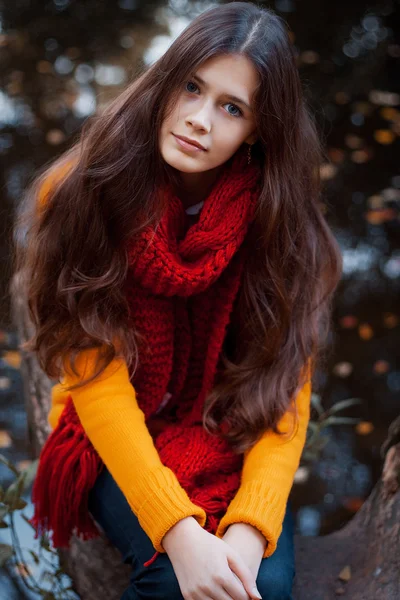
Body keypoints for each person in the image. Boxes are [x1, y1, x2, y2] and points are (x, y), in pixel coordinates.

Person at [14, 2, 342, 599]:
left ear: (259, 130)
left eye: (231, 107)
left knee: (258, 581)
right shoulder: (84, 194)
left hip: (225, 421)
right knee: (174, 579)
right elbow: (97, 382)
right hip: (112, 425)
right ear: (167, 79)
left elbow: (284, 384)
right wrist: (178, 531)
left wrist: (249, 525)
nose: (198, 120)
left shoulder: (280, 223)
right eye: (191, 87)